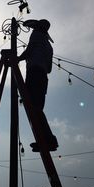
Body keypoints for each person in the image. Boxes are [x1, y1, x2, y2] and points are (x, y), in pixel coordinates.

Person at [18, 19, 58, 152]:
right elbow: (49, 69)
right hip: (43, 78)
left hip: (34, 74)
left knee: (33, 108)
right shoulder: (49, 46)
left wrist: (17, 59)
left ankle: (47, 140)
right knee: (37, 109)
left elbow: (29, 51)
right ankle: (47, 140)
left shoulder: (36, 35)